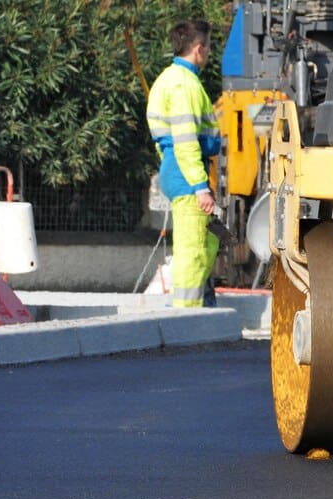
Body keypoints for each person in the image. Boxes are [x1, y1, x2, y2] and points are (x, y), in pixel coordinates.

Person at [146, 20, 222, 307]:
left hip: (178, 169)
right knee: (193, 250)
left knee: (209, 239)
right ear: (199, 48)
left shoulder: (169, 79)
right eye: (209, 47)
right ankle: (187, 312)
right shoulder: (185, 85)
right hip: (188, 174)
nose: (210, 52)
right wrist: (200, 187)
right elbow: (186, 139)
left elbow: (165, 139)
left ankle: (204, 303)